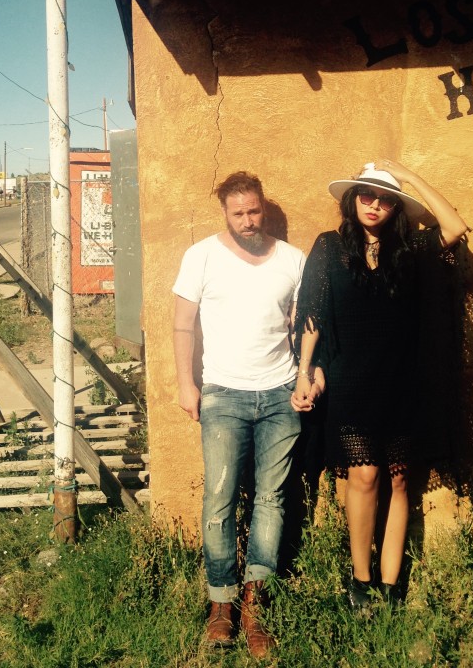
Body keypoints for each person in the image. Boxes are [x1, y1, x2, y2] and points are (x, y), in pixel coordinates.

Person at [291, 158, 468, 610]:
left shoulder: (411, 249)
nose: (374, 204)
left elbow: (454, 227)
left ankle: (390, 587)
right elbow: (312, 313)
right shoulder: (330, 246)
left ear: (396, 207)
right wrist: (305, 371)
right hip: (351, 381)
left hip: (403, 383)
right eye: (366, 195)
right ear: (352, 200)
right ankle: (360, 581)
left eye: (386, 199)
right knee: (365, 476)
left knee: (400, 480)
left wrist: (408, 178)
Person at [173, 171, 309, 657]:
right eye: (239, 213)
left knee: (271, 500)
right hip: (223, 394)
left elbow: (306, 327)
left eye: (254, 211)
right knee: (220, 498)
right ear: (225, 214)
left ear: (263, 208)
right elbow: (183, 325)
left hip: (279, 394)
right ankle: (220, 604)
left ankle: (255, 605)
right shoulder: (201, 256)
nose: (249, 220)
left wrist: (309, 376)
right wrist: (186, 383)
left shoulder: (293, 260)